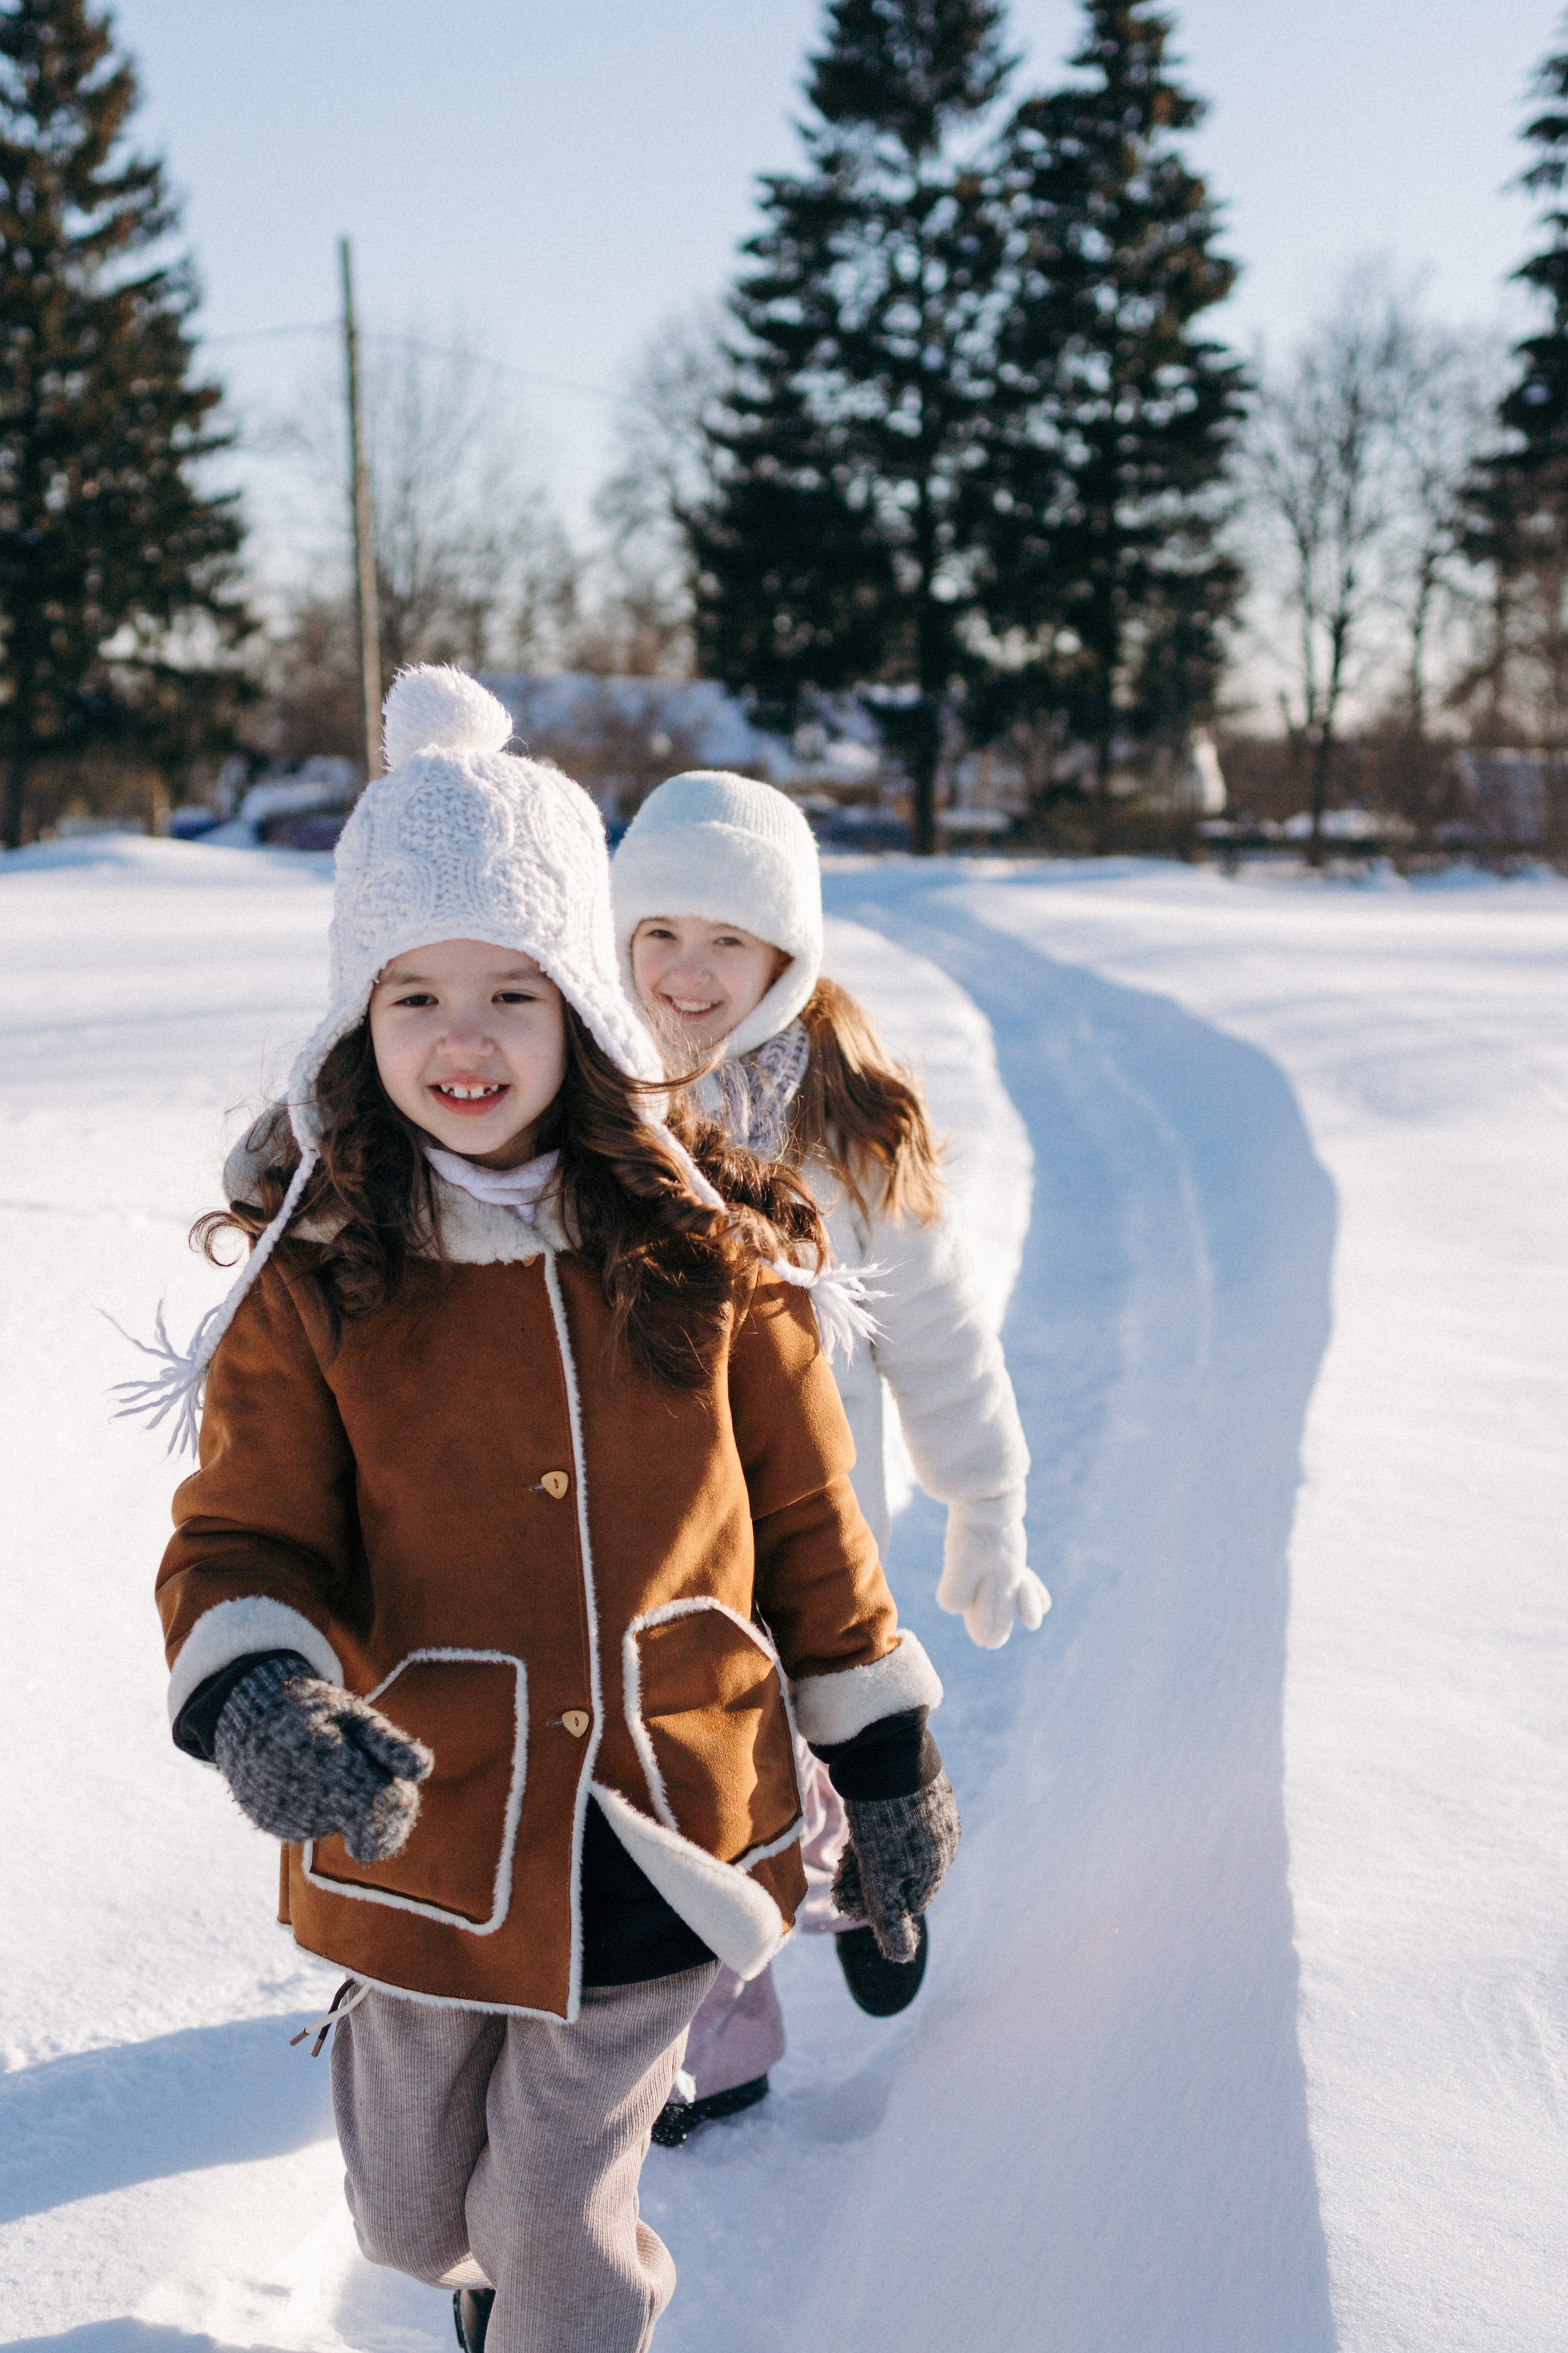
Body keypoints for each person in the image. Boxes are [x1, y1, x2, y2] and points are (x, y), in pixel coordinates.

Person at [127, 670, 957, 2353]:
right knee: (416, 2215)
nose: (464, 1038)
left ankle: (562, 2305)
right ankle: (480, 2256)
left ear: (585, 1003)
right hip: (428, 1822)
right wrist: (268, 1696)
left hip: (667, 1807)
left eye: (513, 991)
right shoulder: (323, 1275)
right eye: (415, 992)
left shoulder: (714, 1254)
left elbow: (811, 1533)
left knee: (550, 2211)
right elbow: (242, 1537)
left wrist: (883, 1764)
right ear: (356, 1021)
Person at [611, 769, 1046, 2143]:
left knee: (828, 1748)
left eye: (726, 941)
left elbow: (935, 1329)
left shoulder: (842, 1129)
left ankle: (877, 1875)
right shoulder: (586, 1099)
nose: (686, 972)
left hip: (805, 1521)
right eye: (659, 931)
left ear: (786, 956)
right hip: (648, 1532)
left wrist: (983, 1498)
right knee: (696, 1783)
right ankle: (715, 2039)